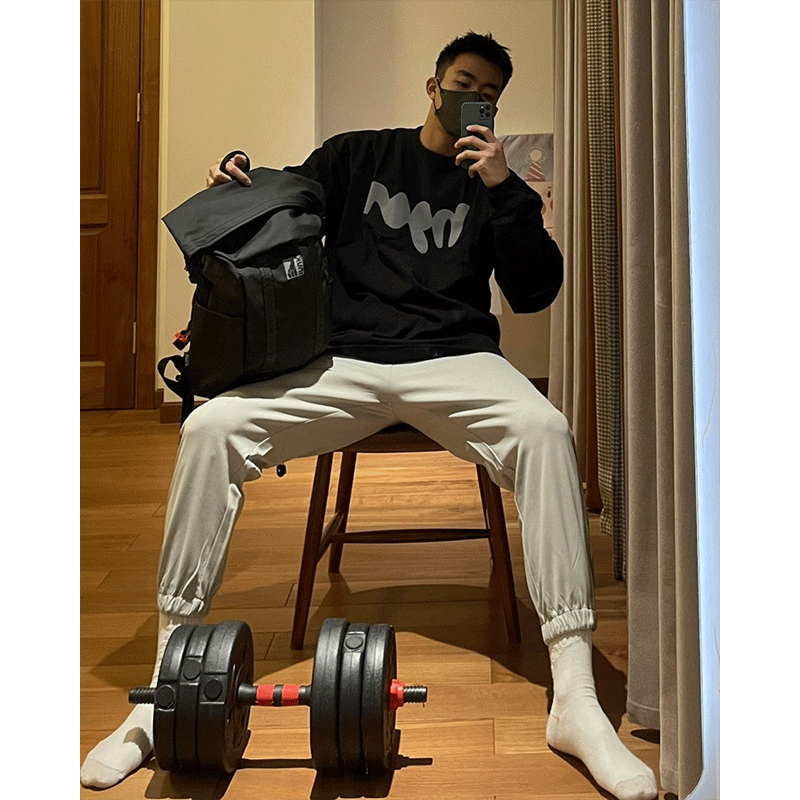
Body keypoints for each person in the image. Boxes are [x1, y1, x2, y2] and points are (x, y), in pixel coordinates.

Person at [80, 32, 658, 800]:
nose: (473, 98)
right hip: (343, 362)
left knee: (547, 431)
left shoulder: (496, 183)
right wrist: (236, 178)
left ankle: (575, 696)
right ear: (433, 86)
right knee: (209, 429)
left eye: (488, 92)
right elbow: (282, 199)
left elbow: (535, 291)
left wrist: (503, 191)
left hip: (455, 358)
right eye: (463, 82)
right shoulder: (358, 155)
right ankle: (167, 683)